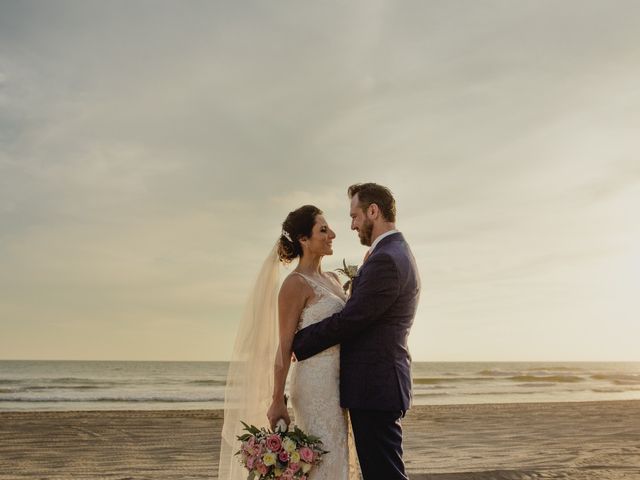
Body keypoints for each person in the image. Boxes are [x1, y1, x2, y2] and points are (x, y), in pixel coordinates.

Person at [218, 205, 358, 480]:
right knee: (323, 459)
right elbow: (283, 347)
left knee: (339, 456)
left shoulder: (334, 279)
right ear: (303, 239)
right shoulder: (295, 285)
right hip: (314, 386)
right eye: (323, 229)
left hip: (340, 384)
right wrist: (276, 400)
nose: (332, 233)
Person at [292, 183, 421, 480]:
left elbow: (352, 319)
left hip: (375, 386)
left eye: (355, 216)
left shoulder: (387, 259)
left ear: (373, 211)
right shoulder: (394, 252)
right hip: (378, 385)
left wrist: (300, 342)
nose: (351, 225)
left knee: (384, 475)